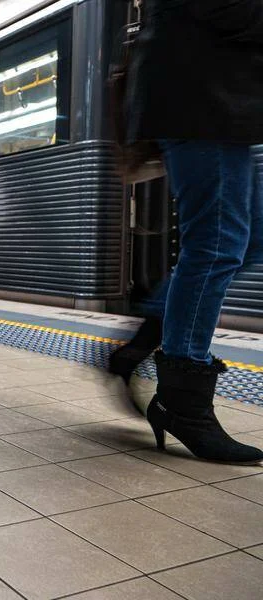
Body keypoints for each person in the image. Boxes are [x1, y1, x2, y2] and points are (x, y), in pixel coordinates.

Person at [111, 0, 263, 463]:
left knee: (250, 238)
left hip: (217, 100)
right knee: (216, 246)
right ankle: (182, 398)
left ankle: (145, 343)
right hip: (203, 100)